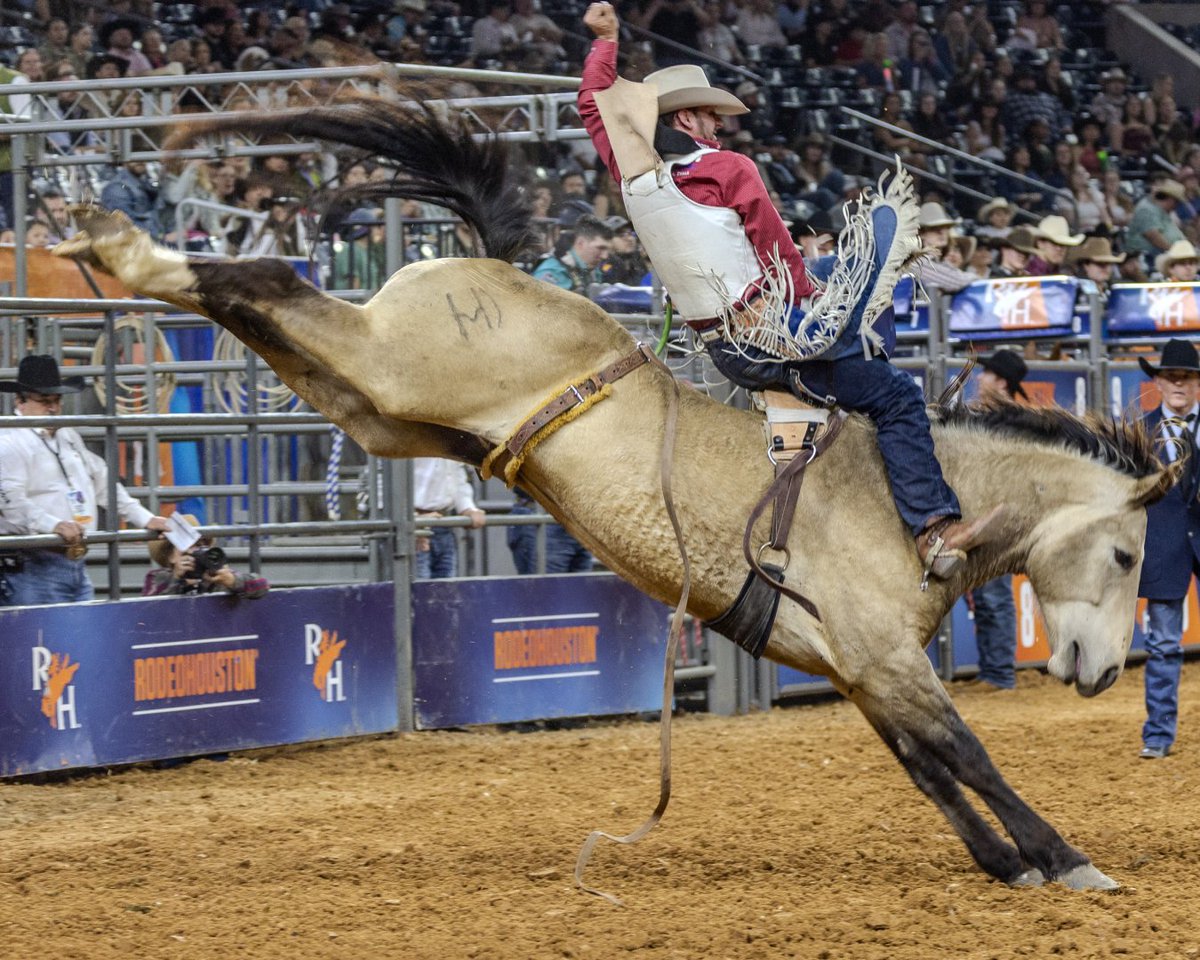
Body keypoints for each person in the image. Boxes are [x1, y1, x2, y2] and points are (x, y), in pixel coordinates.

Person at [578, 2, 1005, 583]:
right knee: (896, 396)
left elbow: (592, 106)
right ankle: (932, 528)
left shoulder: (631, 177)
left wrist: (605, 40)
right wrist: (818, 304)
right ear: (685, 121)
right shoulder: (730, 170)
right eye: (708, 116)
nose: (718, 126)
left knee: (844, 295)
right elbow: (781, 258)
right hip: (771, 340)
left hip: (720, 345)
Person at [0, 356, 169, 605]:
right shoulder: (9, 442)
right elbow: (11, 503)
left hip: (69, 559)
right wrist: (53, 525)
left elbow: (101, 479)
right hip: (34, 561)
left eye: (57, 400)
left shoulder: (67, 436)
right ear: (20, 401)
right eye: (45, 401)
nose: (54, 408)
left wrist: (144, 518)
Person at [1135, 339, 1200, 759]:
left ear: (1197, 384)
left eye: (1187, 376)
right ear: (1157, 382)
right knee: (1162, 646)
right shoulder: (1137, 434)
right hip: (1162, 550)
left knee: (1163, 646)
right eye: (1170, 375)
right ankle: (1158, 736)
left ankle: (1158, 735)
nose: (1178, 382)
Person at [967, 350, 1028, 691]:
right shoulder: (994, 418)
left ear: (1001, 382)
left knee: (993, 595)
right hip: (981, 515)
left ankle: (1000, 672)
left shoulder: (1008, 422)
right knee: (985, 595)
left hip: (996, 516)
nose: (980, 377)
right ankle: (993, 670)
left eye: (987, 373)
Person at [143, 515, 268, 598]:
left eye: (200, 545)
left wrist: (232, 581)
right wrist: (176, 580)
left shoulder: (214, 573)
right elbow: (149, 613)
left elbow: (262, 586)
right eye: (186, 545)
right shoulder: (158, 577)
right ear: (170, 556)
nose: (195, 551)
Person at [412, 457, 486, 579]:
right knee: (417, 591)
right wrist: (413, 518)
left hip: (442, 523)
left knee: (445, 590)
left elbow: (456, 474)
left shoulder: (452, 440)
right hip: (411, 528)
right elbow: (386, 480)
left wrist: (468, 508)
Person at [532, 214, 612, 291]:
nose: (604, 256)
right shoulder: (553, 272)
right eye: (600, 248)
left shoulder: (593, 271)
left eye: (607, 249)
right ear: (581, 243)